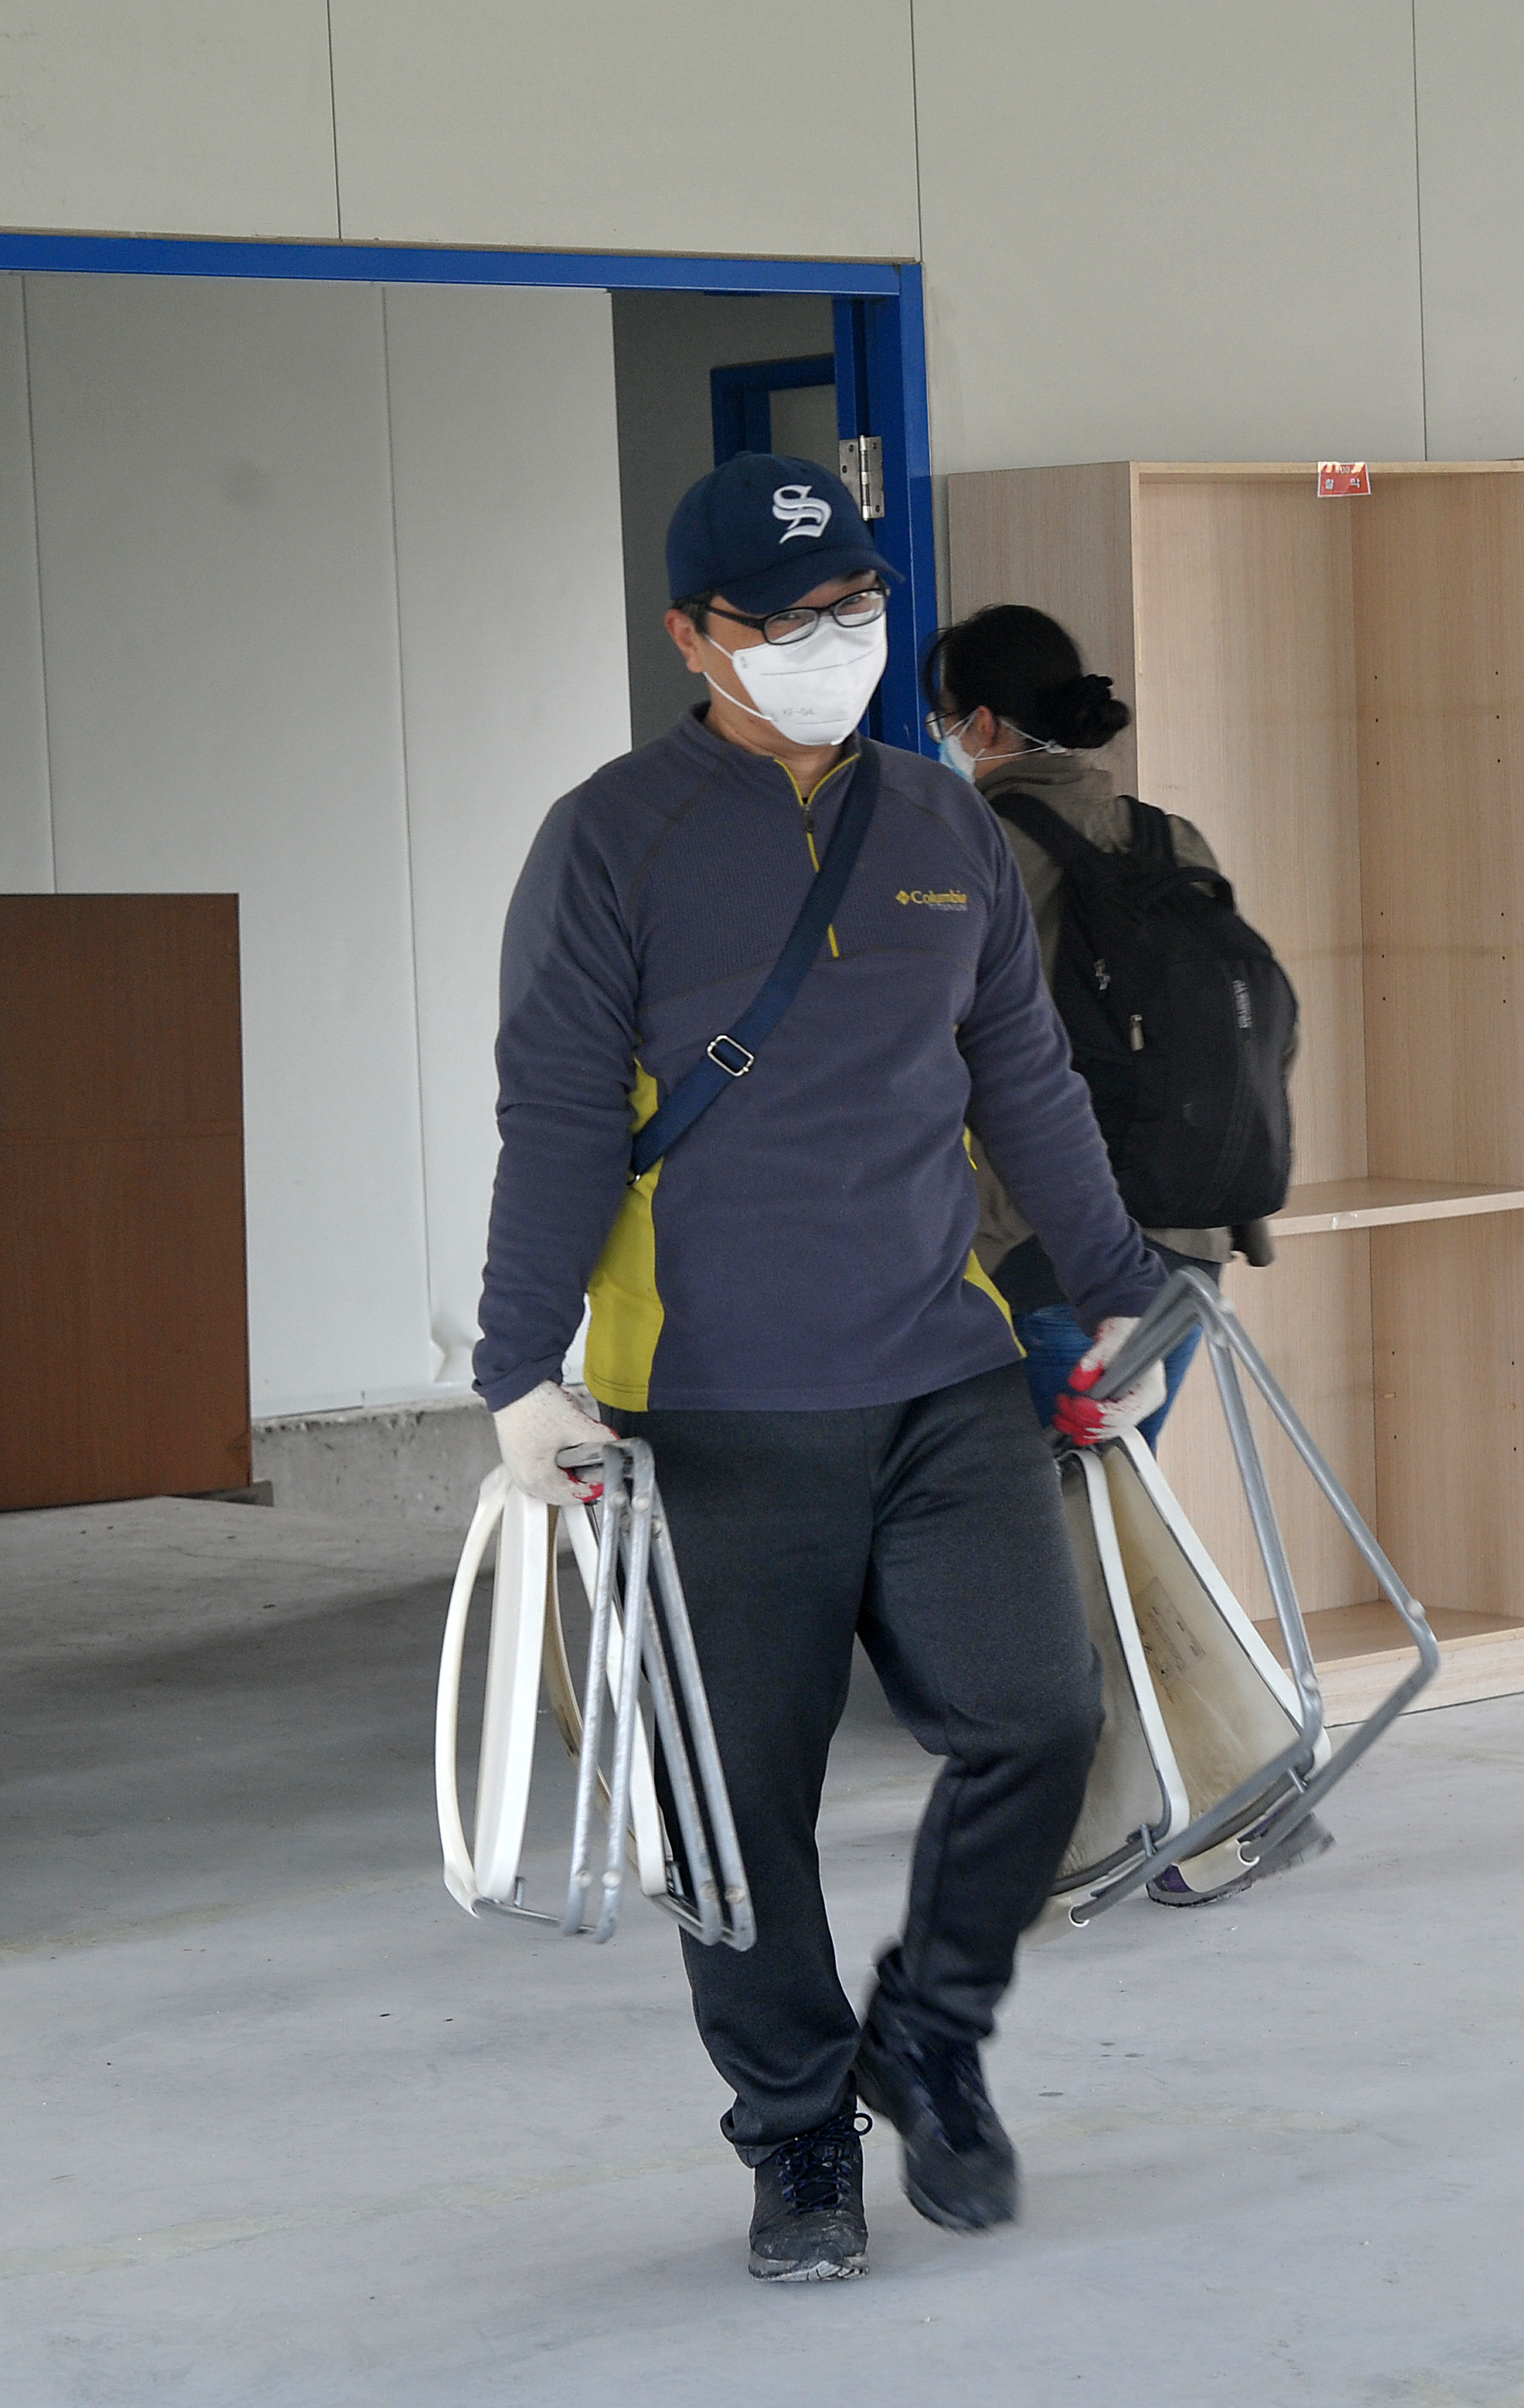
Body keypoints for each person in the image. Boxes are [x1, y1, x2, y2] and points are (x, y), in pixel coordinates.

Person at [472, 453, 1170, 2285]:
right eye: (783, 619)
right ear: (693, 636)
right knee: (737, 1815)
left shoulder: (945, 826)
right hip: (708, 1408)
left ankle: (927, 2032)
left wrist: (1115, 1286)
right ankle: (796, 2135)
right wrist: (516, 1369)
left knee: (1040, 1719)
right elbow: (557, 1117)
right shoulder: (610, 839)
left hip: (942, 1375)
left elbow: (1023, 1083)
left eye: (854, 606)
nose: (828, 643)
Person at [921, 605, 1285, 1449]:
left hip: (1049, 1257)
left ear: (982, 725)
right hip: (1191, 1250)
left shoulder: (972, 851)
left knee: (1049, 1523)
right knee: (1116, 1509)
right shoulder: (1169, 838)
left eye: (946, 720)